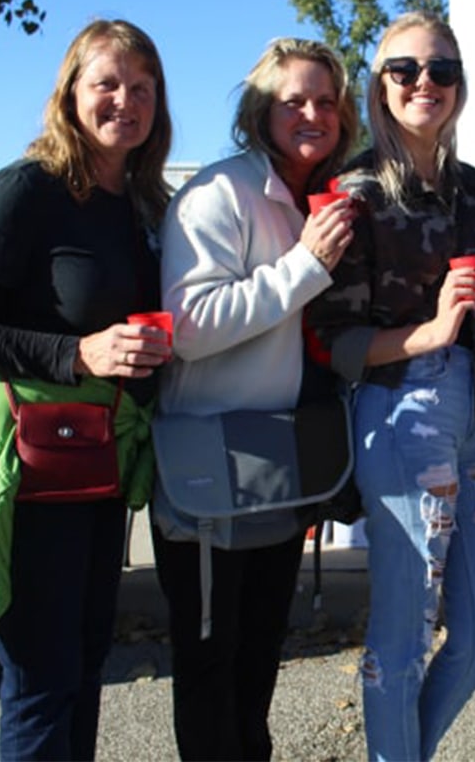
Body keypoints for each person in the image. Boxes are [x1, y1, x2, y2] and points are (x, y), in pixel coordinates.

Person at [0, 19, 173, 759]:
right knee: (43, 681)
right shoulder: (27, 189)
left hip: (99, 467)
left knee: (84, 669)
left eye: (142, 87)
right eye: (107, 84)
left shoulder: (139, 204)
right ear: (70, 93)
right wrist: (77, 351)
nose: (126, 100)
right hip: (23, 471)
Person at [305, 11, 475, 762]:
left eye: (442, 71)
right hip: (399, 409)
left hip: (472, 412)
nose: (425, 83)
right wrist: (429, 332)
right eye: (405, 70)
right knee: (403, 634)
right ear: (379, 84)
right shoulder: (356, 191)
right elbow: (336, 345)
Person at [152, 37, 358, 761]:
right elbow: (190, 329)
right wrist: (306, 265)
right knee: (211, 665)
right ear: (259, 112)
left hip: (285, 459)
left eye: (326, 101)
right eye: (293, 100)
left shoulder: (329, 196)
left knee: (262, 656)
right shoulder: (218, 192)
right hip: (209, 468)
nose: (313, 113)